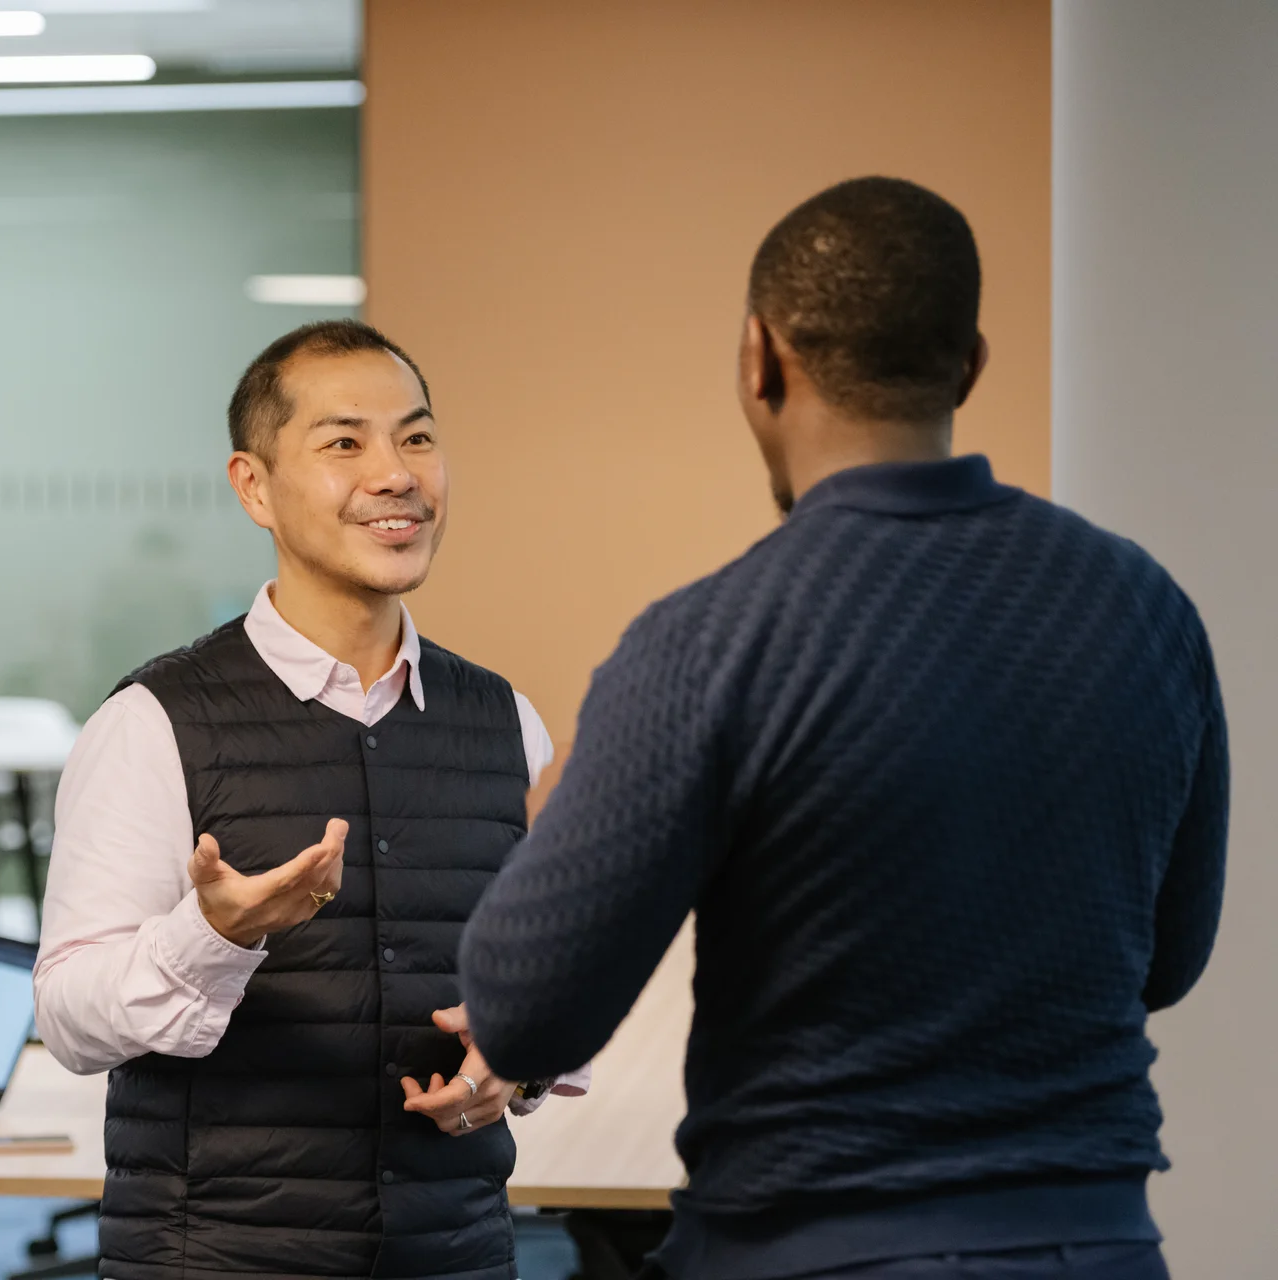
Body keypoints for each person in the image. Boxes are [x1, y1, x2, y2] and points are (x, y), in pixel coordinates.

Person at [459, 176, 1228, 1280]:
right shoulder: (1148, 609)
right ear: (968, 363)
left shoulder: (707, 642)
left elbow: (525, 1013)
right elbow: (1168, 957)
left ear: (757, 359)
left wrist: (561, 807)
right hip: (1097, 1247)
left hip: (810, 1249)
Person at [35, 319, 587, 1280]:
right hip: (215, 1256)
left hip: (452, 1253)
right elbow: (70, 1019)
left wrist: (521, 1059)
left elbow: (551, 979)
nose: (395, 473)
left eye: (416, 438)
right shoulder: (151, 721)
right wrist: (215, 935)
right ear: (253, 485)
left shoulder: (506, 722)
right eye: (344, 443)